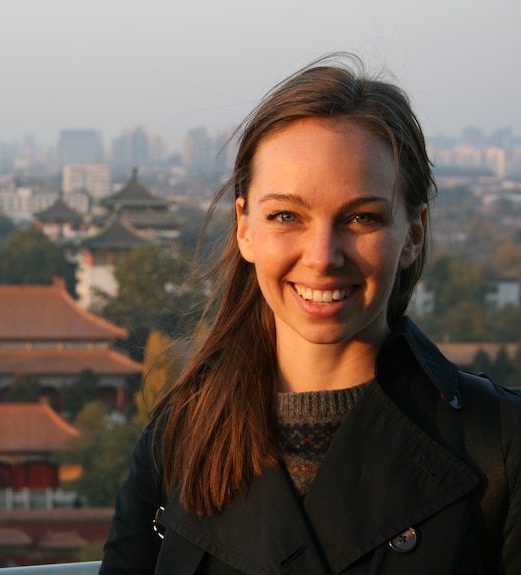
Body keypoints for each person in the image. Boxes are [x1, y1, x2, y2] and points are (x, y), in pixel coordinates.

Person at [100, 54, 521, 574]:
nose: (322, 255)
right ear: (245, 228)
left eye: (361, 218)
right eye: (286, 216)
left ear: (413, 233)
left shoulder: (498, 445)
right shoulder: (181, 441)